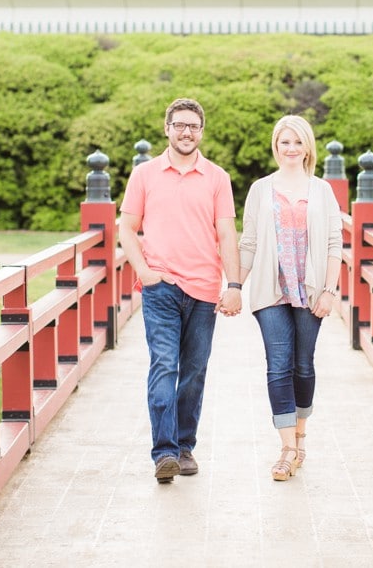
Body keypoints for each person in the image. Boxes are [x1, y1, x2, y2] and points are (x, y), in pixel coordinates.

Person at [118, 97, 242, 484]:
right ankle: (164, 453)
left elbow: (226, 233)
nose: (186, 132)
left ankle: (185, 446)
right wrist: (144, 271)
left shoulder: (217, 177)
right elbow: (126, 227)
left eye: (193, 126)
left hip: (204, 289)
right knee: (165, 365)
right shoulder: (145, 174)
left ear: (201, 131)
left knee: (193, 372)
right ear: (166, 128)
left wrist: (234, 285)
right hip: (162, 288)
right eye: (179, 125)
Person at [238, 115, 343, 482]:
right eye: (285, 142)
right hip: (271, 291)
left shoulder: (322, 190)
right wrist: (234, 285)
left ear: (308, 147)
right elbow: (248, 243)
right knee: (277, 364)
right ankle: (286, 448)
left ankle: (300, 435)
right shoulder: (260, 189)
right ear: (275, 146)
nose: (291, 149)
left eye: (298, 142)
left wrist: (329, 291)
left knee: (303, 365)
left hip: (311, 292)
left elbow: (334, 244)